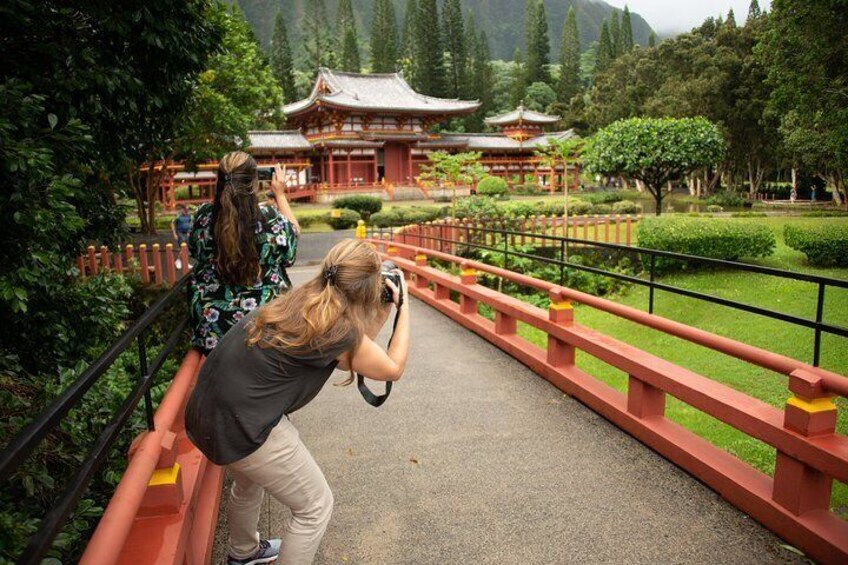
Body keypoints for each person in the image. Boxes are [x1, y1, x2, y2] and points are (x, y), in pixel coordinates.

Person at [185, 239, 410, 565]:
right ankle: (245, 554)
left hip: (208, 414)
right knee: (315, 506)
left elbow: (355, 357)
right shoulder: (336, 325)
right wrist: (405, 310)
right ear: (365, 289)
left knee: (248, 483)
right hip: (244, 425)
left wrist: (384, 308)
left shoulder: (304, 300)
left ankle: (243, 554)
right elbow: (391, 368)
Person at [188, 151, 300, 354]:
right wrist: (280, 194)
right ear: (254, 182)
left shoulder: (203, 216)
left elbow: (194, 252)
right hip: (265, 326)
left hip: (212, 328)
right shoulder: (270, 218)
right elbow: (291, 248)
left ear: (219, 181)